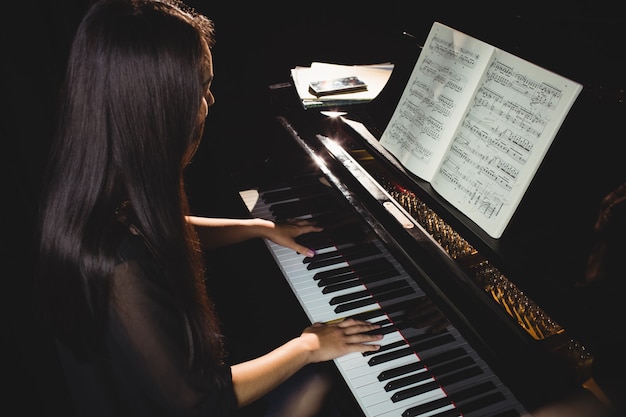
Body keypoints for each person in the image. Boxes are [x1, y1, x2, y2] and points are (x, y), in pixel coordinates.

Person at [35, 0, 383, 416]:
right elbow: (200, 401)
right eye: (201, 87)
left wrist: (257, 228)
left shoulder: (94, 190)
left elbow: (160, 232)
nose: (211, 100)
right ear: (157, 108)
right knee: (328, 384)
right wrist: (308, 346)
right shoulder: (117, 264)